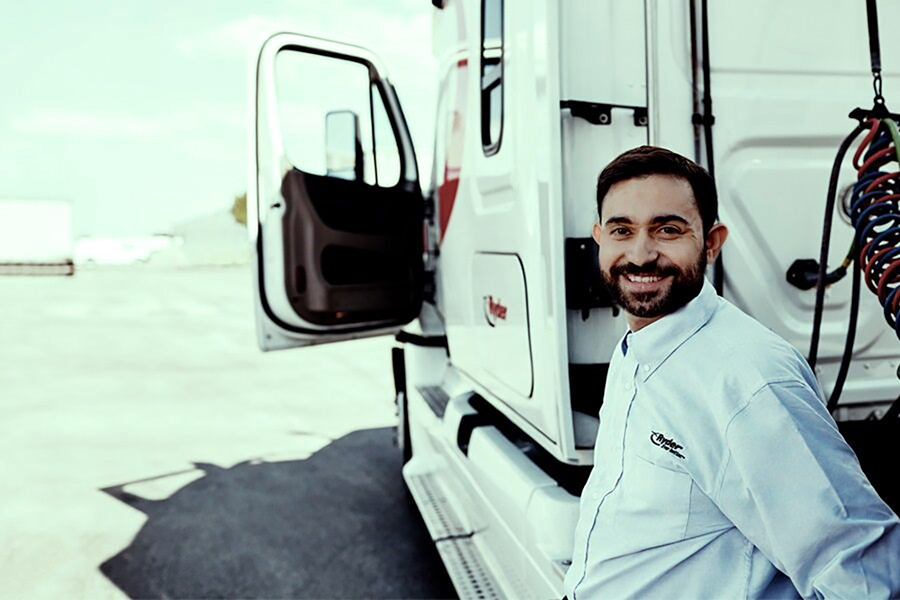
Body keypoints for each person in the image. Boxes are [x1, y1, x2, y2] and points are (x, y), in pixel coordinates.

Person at [564, 146, 900, 599]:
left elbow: (860, 575)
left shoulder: (750, 378)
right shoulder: (636, 346)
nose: (641, 254)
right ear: (600, 238)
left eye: (667, 229)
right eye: (622, 230)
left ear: (712, 242)